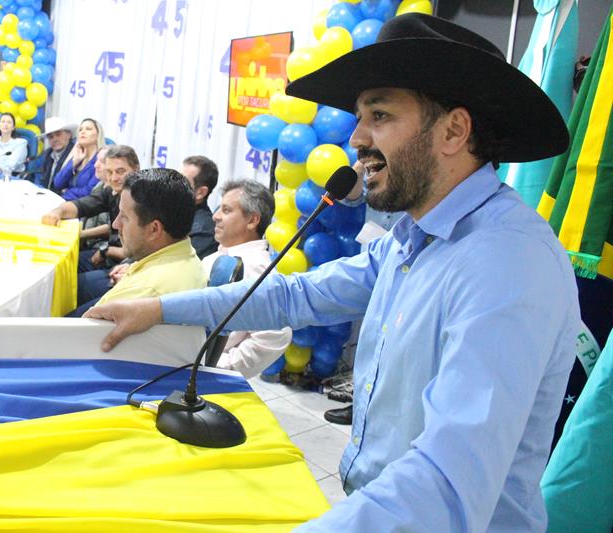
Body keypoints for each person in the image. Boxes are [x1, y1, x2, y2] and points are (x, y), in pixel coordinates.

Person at [84, 14, 580, 531]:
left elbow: (448, 481)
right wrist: (160, 308)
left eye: (380, 115)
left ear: (454, 130)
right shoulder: (409, 241)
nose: (358, 137)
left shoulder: (507, 263)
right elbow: (296, 295)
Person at [85, 167, 207, 313]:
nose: (115, 224)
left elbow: (79, 335)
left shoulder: (143, 292)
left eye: (124, 217)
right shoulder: (186, 257)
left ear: (154, 229)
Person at [203, 179, 292, 378]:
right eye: (219, 209)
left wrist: (218, 365)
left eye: (226, 211)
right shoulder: (217, 257)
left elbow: (275, 335)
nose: (216, 216)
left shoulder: (255, 267)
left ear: (252, 220)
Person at [41, 145, 139, 305]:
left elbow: (142, 253)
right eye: (109, 172)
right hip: (112, 258)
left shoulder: (143, 200)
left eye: (120, 171)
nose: (114, 178)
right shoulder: (110, 191)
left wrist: (107, 251)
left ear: (136, 169)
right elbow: (81, 205)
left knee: (68, 285)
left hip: (127, 270)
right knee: (59, 270)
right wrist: (56, 212)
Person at [52, 118, 106, 200]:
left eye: (88, 129)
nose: (83, 132)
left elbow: (90, 191)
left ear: (98, 134)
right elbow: (58, 183)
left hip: (82, 208)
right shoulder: (78, 155)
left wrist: (67, 192)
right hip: (66, 202)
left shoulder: (101, 159)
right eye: (80, 130)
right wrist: (74, 162)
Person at [180, 155, 218, 259]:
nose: (174, 184)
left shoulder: (203, 232)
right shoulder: (172, 214)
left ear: (200, 193)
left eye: (182, 182)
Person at [81, 146, 111, 251]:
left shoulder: (119, 192)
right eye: (96, 160)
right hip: (89, 243)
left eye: (102, 162)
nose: (95, 165)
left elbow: (110, 228)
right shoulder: (99, 185)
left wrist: (80, 235)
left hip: (101, 248)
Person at [36, 116, 75, 191]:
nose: (55, 139)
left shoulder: (75, 154)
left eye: (58, 134)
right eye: (51, 137)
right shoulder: (47, 154)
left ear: (69, 135)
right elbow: (42, 178)